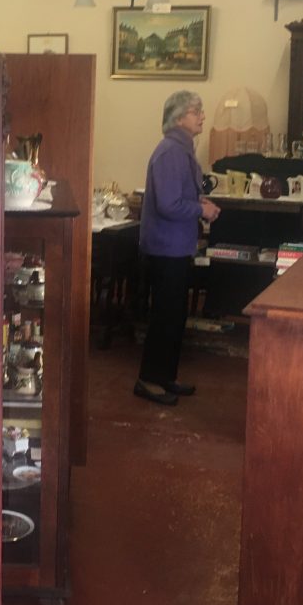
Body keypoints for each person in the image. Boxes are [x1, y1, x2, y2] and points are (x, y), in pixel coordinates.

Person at [134, 90, 220, 406]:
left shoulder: (181, 149)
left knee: (174, 316)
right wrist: (201, 211)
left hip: (176, 246)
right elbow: (168, 204)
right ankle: (147, 380)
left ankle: (164, 377)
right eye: (197, 111)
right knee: (164, 317)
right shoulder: (171, 152)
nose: (202, 116)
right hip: (166, 248)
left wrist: (198, 201)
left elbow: (177, 195)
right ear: (180, 116)